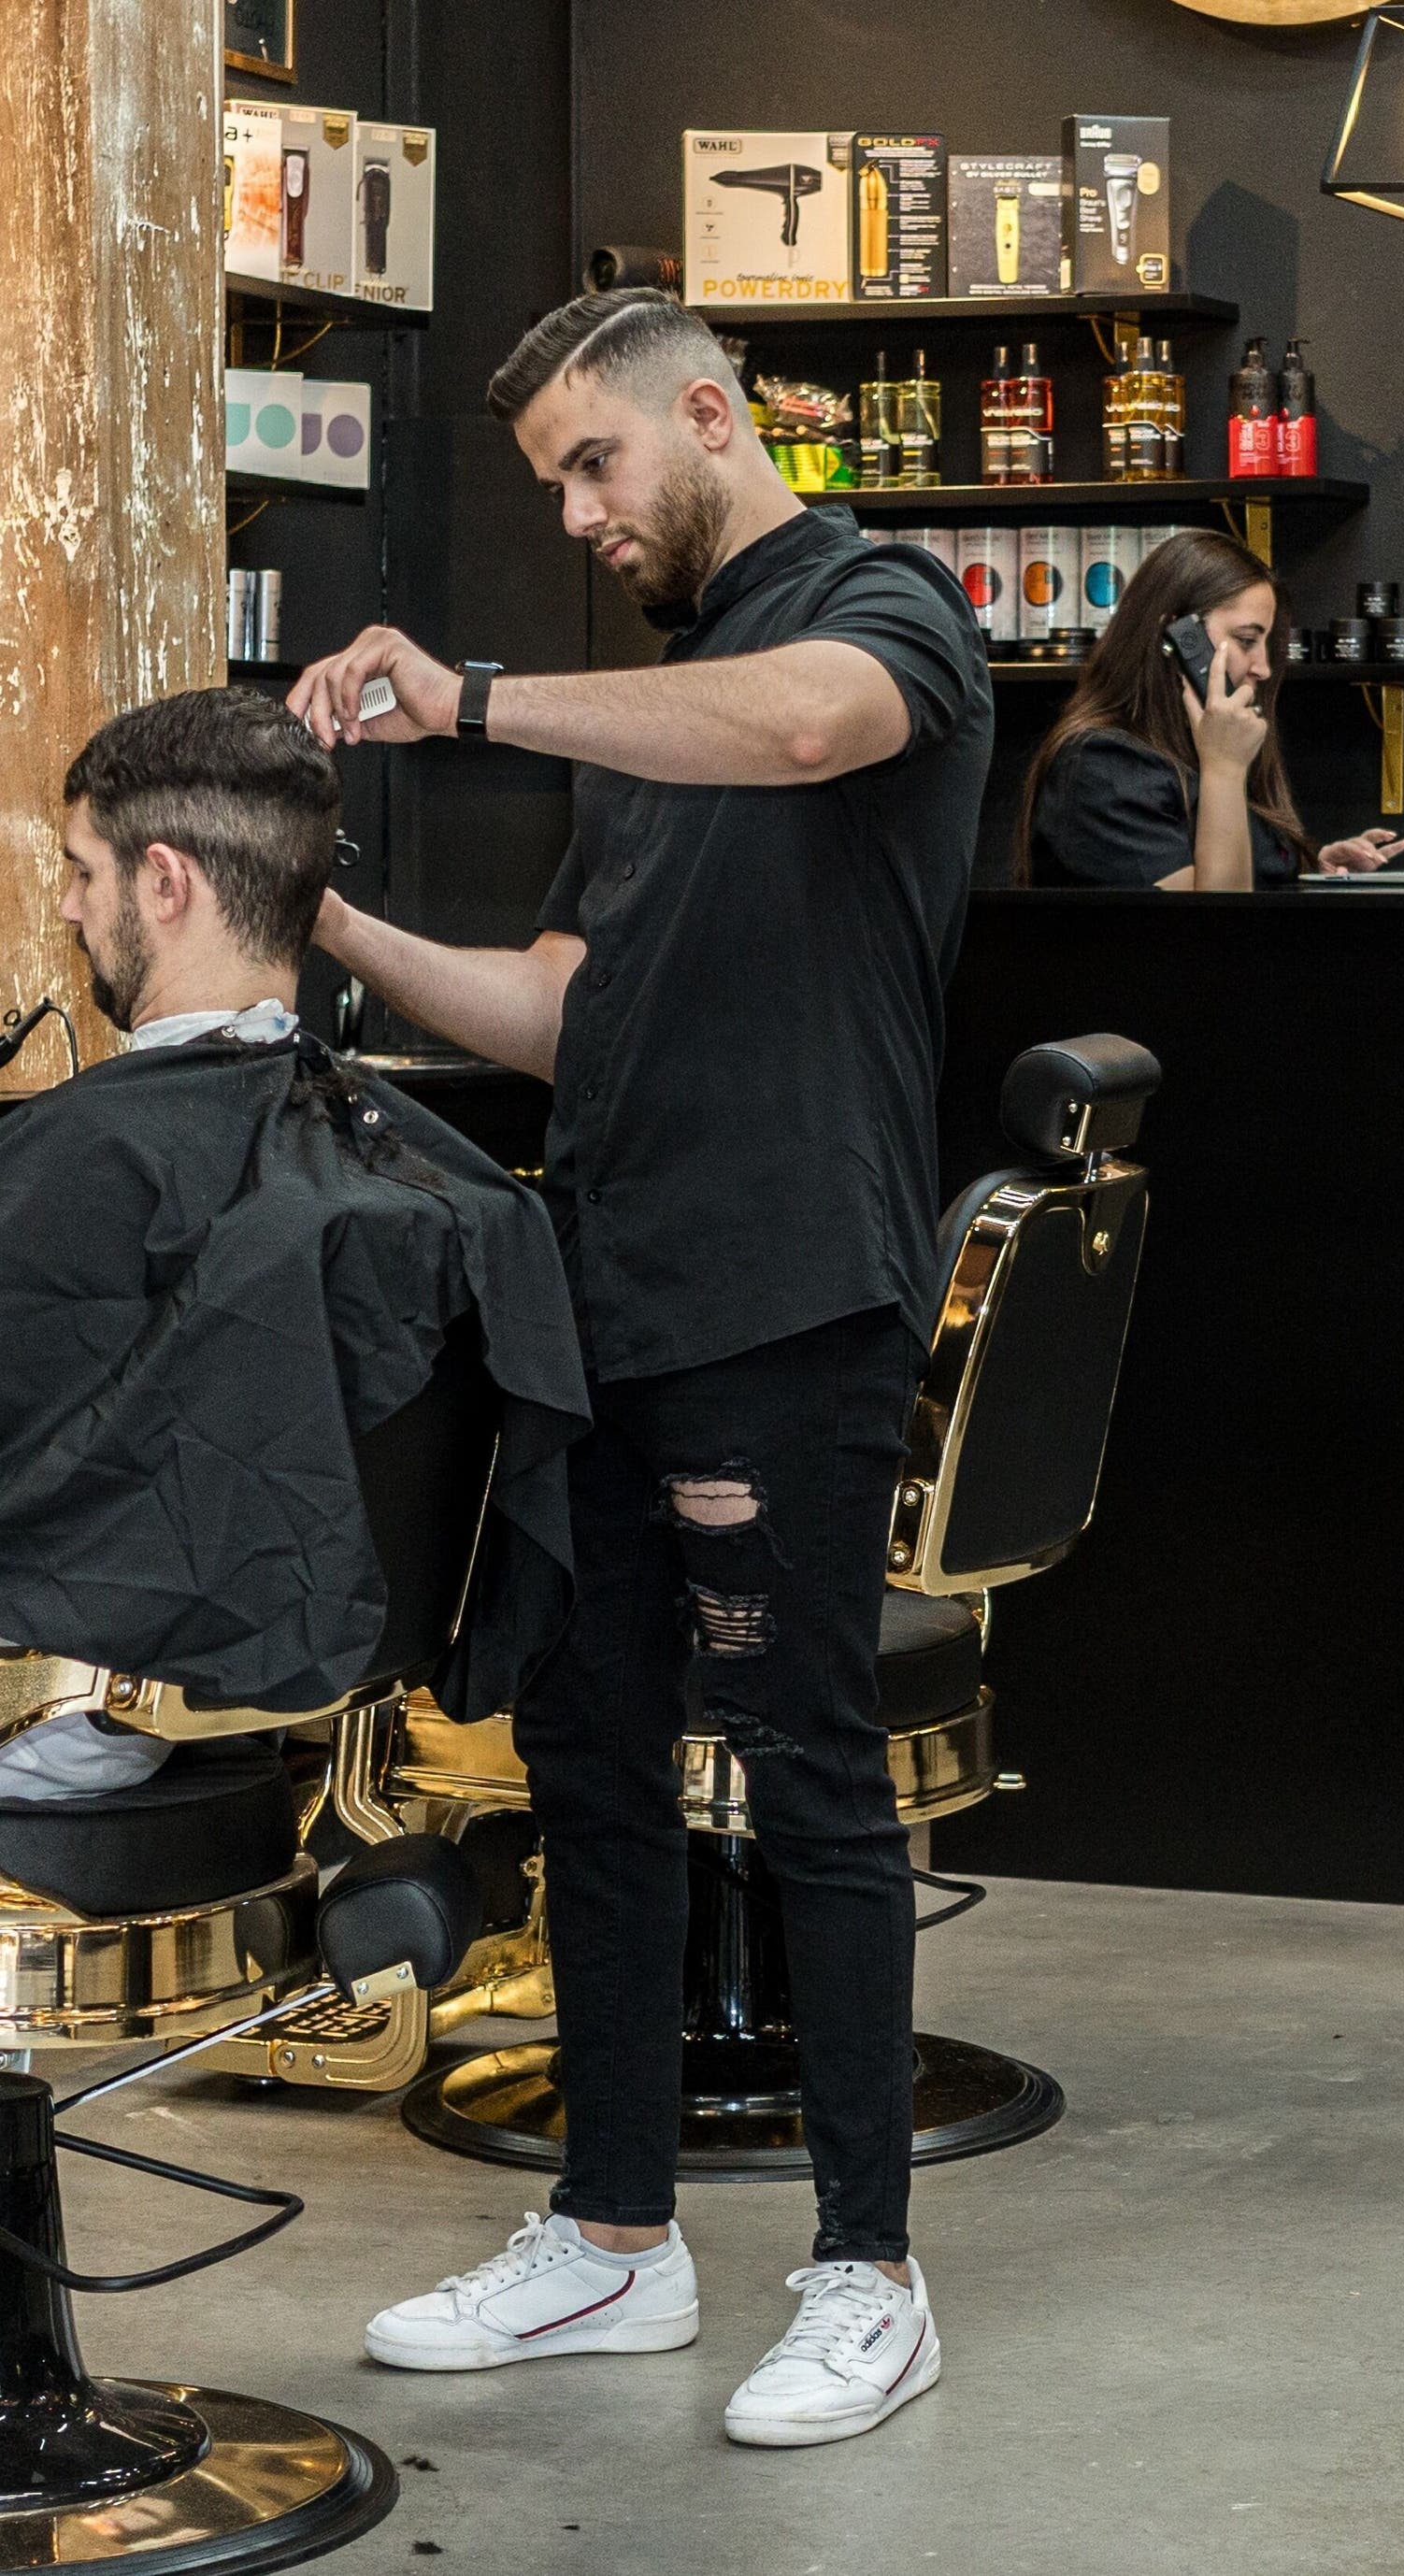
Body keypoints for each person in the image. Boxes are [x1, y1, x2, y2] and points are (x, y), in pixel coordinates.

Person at [286, 285, 990, 2448]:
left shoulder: (884, 613)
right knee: (585, 1765)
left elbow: (801, 732)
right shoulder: (658, 707)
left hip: (788, 1288)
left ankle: (869, 2269)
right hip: (606, 1289)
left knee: (800, 1769)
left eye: (597, 464)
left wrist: (477, 696)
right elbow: (560, 1020)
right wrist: (310, 908)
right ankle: (613, 2233)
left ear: (710, 413)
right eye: (556, 487)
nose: (579, 513)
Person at [0, 689, 583, 1792]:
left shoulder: (89, 1160)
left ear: (165, 881)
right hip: (322, 1701)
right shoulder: (443, 1186)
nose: (71, 908)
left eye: (81, 870)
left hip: (120, 1713)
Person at [1019, 528, 1404, 889]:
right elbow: (1213, 929)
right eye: (1245, 640)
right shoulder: (1101, 767)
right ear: (1176, 638)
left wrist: (1308, 870)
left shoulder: (1193, 754)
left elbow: (1238, 873)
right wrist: (1224, 769)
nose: (1263, 667)